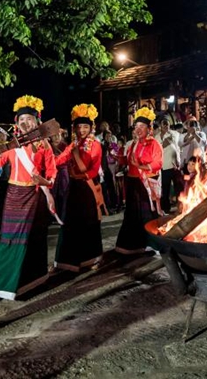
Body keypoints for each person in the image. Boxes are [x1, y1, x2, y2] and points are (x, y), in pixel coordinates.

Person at [0, 95, 56, 301]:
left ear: (37, 122)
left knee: (34, 239)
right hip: (15, 196)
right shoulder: (11, 146)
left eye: (29, 119)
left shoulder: (44, 146)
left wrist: (45, 181)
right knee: (10, 240)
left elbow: (52, 174)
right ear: (17, 124)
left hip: (35, 198)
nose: (25, 123)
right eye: (21, 120)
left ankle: (33, 280)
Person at [53, 104, 104, 272]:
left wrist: (81, 175)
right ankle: (68, 261)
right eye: (79, 126)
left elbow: (94, 169)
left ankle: (90, 259)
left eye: (85, 126)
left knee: (88, 222)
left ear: (91, 127)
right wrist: (47, 160)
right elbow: (60, 160)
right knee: (70, 223)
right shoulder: (73, 144)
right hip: (73, 188)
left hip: (87, 188)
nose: (82, 129)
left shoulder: (95, 145)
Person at [115, 107, 163, 255]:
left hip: (146, 183)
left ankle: (151, 244)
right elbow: (130, 161)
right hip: (132, 182)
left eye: (142, 127)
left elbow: (158, 163)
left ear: (149, 128)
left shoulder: (154, 144)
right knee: (131, 213)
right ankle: (131, 245)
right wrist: (120, 158)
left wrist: (141, 165)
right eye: (136, 127)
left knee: (147, 213)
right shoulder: (132, 144)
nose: (138, 129)